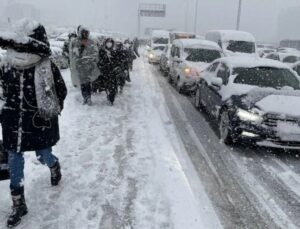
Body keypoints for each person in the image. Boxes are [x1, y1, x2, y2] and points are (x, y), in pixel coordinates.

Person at [0, 19, 67, 228]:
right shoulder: (6, 65)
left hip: (38, 123)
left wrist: (47, 109)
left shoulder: (46, 66)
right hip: (12, 122)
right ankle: (19, 203)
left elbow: (60, 91)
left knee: (43, 154)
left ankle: (54, 166)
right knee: (14, 159)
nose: (19, 49)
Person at [69, 26, 99, 105]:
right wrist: (81, 48)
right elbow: (74, 54)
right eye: (84, 32)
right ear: (80, 33)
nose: (85, 34)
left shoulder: (91, 42)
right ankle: (85, 97)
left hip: (89, 66)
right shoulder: (75, 42)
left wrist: (89, 59)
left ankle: (88, 97)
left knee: (88, 82)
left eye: (87, 33)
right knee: (82, 82)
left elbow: (95, 53)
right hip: (80, 66)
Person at [98, 38, 121, 105]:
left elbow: (118, 61)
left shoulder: (115, 51)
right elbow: (99, 61)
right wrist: (105, 59)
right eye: (108, 42)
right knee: (106, 86)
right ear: (105, 43)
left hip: (113, 73)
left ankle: (111, 99)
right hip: (105, 72)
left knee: (113, 87)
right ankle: (108, 95)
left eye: (110, 42)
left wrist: (115, 66)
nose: (109, 44)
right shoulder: (102, 51)